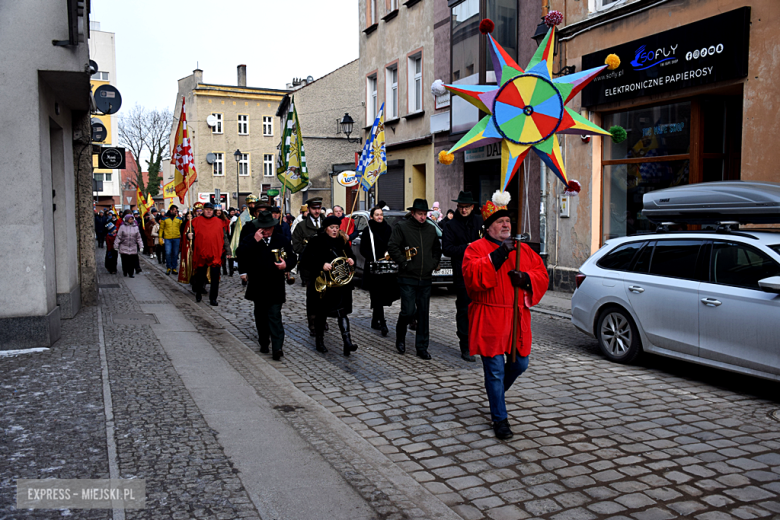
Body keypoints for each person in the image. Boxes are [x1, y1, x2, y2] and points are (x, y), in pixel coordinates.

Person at [462, 191, 549, 440]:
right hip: (489, 316)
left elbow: (541, 274)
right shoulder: (475, 249)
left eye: (508, 222)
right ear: (489, 227)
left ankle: (495, 394)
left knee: (521, 363)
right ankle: (500, 418)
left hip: (515, 318)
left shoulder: (523, 250)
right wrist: (499, 255)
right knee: (496, 370)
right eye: (500, 222)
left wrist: (527, 279)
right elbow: (472, 276)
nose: (506, 225)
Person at [237, 210, 297, 361]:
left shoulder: (281, 240)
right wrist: (254, 241)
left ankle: (277, 347)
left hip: (275, 284)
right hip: (258, 284)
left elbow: (292, 258)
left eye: (269, 228)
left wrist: (286, 265)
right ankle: (264, 341)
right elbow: (240, 254)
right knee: (261, 316)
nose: (266, 231)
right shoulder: (251, 239)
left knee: (275, 315)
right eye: (263, 228)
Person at [387, 199, 442, 359]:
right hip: (407, 277)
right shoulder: (402, 227)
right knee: (408, 311)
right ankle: (400, 336)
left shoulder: (430, 229)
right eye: (420, 214)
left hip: (425, 278)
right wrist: (404, 263)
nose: (423, 217)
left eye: (425, 214)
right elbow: (392, 246)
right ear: (413, 213)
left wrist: (433, 263)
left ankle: (422, 347)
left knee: (423, 314)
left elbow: (437, 249)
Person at [301, 215, 358, 356]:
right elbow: (305, 260)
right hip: (324, 284)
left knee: (343, 313)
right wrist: (321, 265)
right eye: (332, 228)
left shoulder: (342, 241)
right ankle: (319, 341)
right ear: (326, 228)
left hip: (341, 285)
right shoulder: (316, 241)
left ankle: (347, 342)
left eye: (337, 228)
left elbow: (350, 255)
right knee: (322, 314)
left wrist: (351, 260)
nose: (334, 230)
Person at [442, 191, 483, 362]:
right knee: (464, 311)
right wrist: (467, 248)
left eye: (466, 207)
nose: (463, 210)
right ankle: (465, 345)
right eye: (460, 207)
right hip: (462, 274)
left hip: (481, 273)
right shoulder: (451, 225)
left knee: (480, 310)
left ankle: (479, 343)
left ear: (472, 207)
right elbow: (447, 249)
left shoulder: (480, 221)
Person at [359, 206, 399, 336]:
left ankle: (375, 320)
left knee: (383, 294)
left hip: (386, 267)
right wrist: (373, 257)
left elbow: (393, 244)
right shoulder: (367, 230)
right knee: (377, 294)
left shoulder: (388, 229)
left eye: (381, 214)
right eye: (377, 215)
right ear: (372, 217)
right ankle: (382, 323)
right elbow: (362, 249)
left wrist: (389, 254)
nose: (379, 217)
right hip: (373, 267)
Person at [292, 197, 324, 335]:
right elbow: (296, 246)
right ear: (309, 209)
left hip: (325, 267)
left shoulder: (325, 223)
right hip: (309, 267)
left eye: (318, 208)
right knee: (312, 296)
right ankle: (312, 323)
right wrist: (310, 250)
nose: (317, 211)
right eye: (314, 208)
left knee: (325, 295)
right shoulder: (301, 226)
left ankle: (322, 320)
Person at [187, 202, 229, 306]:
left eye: (210, 210)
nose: (209, 211)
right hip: (201, 253)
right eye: (206, 209)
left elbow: (224, 237)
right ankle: (198, 293)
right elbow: (187, 234)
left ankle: (213, 298)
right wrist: (189, 235)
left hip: (215, 253)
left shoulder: (219, 222)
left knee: (215, 278)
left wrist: (228, 250)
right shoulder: (196, 221)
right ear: (203, 210)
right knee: (200, 276)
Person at [115, 214, 144, 278]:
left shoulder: (135, 227)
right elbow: (118, 237)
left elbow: (138, 238)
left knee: (132, 261)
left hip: (133, 247)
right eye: (130, 219)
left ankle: (131, 273)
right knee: (125, 261)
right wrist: (116, 246)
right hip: (124, 246)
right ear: (127, 219)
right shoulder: (122, 227)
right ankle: (125, 271)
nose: (131, 220)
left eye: (132, 219)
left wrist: (141, 246)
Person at [160, 205, 183, 275]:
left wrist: (181, 234)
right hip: (167, 238)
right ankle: (168, 267)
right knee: (168, 253)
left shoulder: (179, 218)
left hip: (176, 238)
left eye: (177, 211)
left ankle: (174, 267)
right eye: (175, 211)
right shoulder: (164, 218)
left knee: (175, 254)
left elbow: (181, 228)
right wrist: (160, 237)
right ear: (171, 211)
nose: (176, 212)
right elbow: (161, 229)